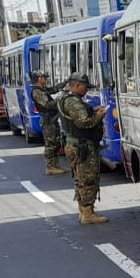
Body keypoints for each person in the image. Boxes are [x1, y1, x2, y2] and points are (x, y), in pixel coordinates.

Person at [57, 72, 109, 225]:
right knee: (88, 178)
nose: (86, 90)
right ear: (77, 85)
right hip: (82, 146)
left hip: (75, 145)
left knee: (81, 178)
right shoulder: (73, 101)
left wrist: (93, 110)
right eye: (85, 87)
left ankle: (84, 211)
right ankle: (88, 213)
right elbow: (83, 123)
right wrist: (99, 116)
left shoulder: (66, 98)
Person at [30, 71, 67, 176]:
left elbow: (54, 89)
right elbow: (47, 105)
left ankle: (55, 165)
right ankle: (50, 167)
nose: (45, 80)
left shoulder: (42, 90)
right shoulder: (36, 92)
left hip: (52, 120)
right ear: (38, 79)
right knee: (50, 145)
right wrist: (60, 99)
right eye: (44, 78)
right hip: (48, 122)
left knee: (55, 143)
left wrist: (64, 83)